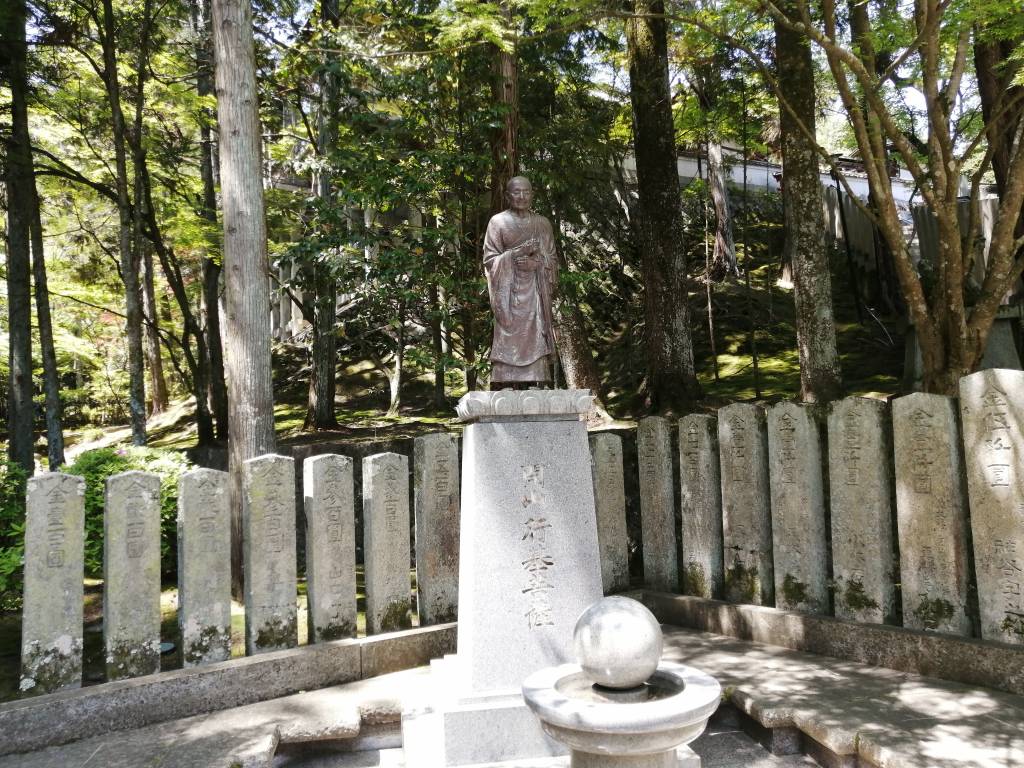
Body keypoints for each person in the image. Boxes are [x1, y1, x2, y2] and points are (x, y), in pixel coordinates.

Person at [483, 176, 557, 389]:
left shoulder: (542, 223)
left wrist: (537, 263)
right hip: (508, 293)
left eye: (526, 192)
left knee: (536, 329)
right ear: (508, 196)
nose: (522, 196)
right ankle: (506, 378)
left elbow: (552, 258)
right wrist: (515, 255)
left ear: (532, 195)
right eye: (516, 192)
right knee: (508, 332)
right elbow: (490, 260)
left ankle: (537, 377)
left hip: (535, 290)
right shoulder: (498, 222)